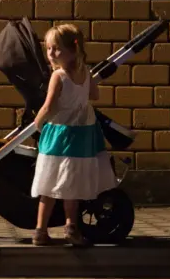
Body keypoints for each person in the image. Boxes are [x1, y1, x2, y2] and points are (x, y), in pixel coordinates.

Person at [30, 23, 118, 247]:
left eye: (56, 49)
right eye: (48, 48)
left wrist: (37, 123)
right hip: (81, 136)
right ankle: (71, 228)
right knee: (72, 185)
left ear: (72, 50)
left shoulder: (58, 76)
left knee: (48, 185)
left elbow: (49, 106)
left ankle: (40, 231)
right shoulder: (85, 73)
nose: (50, 53)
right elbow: (94, 95)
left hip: (59, 133)